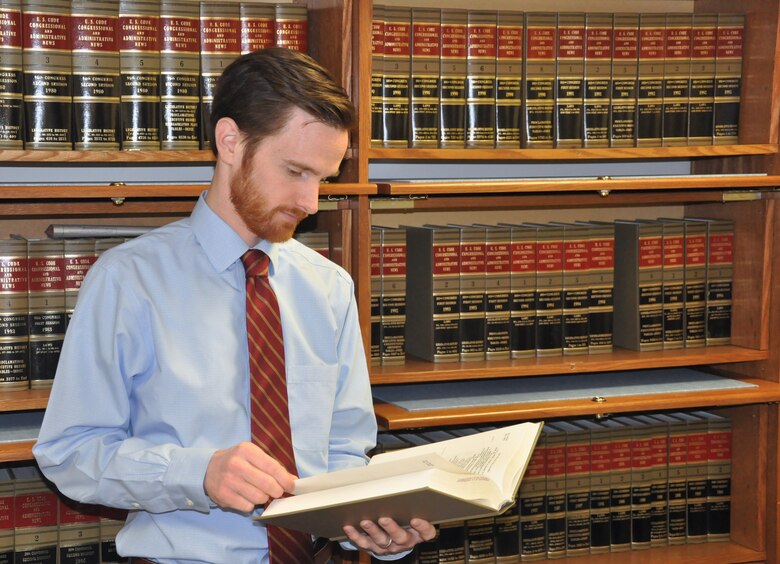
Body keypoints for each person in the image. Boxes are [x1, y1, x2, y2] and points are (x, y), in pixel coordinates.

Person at [33, 47, 436, 563]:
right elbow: (69, 452)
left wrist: (379, 530)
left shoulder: (330, 287)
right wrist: (198, 472)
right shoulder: (128, 281)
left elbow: (343, 453)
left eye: (324, 179)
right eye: (295, 171)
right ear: (230, 141)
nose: (311, 202)